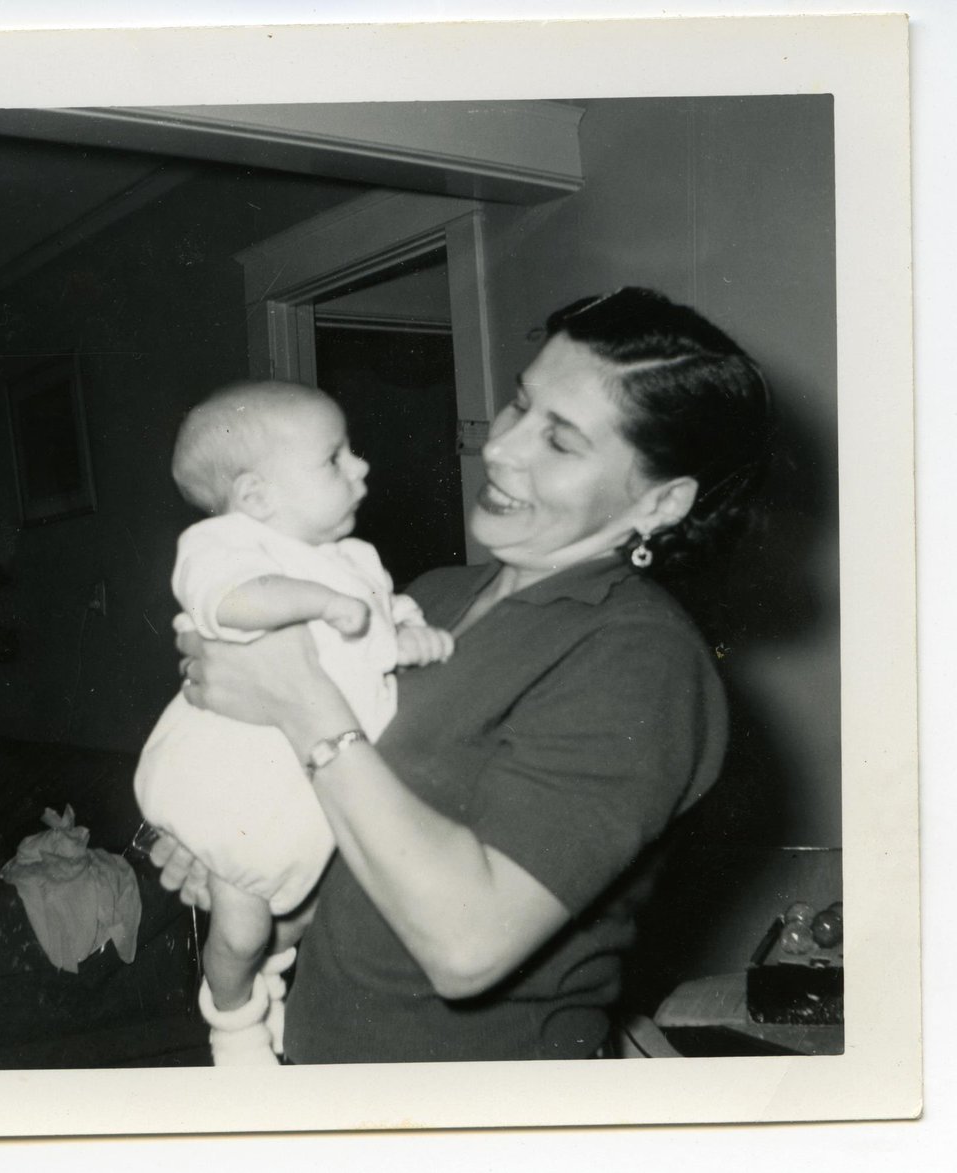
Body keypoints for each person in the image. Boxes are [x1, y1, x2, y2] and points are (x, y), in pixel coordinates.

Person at [156, 287, 773, 1063]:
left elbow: (468, 942)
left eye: (562, 440)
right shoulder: (432, 596)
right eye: (519, 405)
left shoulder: (642, 660)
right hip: (323, 1067)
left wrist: (300, 701)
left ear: (661, 500)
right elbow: (377, 848)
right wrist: (261, 877)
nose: (503, 446)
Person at [133, 379, 454, 1065]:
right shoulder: (224, 542)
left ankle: (267, 984)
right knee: (244, 928)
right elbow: (229, 603)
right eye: (334, 458)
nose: (361, 467)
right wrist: (321, 601)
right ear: (255, 496)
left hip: (306, 796)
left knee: (277, 927)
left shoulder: (357, 560)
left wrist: (409, 631)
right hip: (237, 776)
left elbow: (381, 617)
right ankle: (232, 1017)